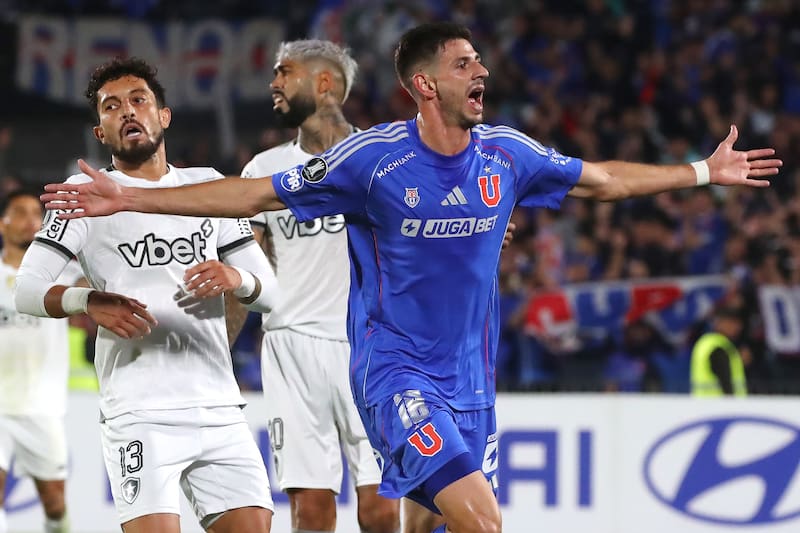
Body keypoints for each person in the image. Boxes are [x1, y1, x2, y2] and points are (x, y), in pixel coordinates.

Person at [40, 23, 782, 533]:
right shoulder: (375, 162)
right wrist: (132, 195)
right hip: (394, 373)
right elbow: (254, 195)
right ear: (424, 84)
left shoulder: (507, 155)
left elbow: (604, 181)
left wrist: (698, 171)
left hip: (472, 379)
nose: (481, 72)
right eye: (464, 64)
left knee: (433, 522)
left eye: (479, 63)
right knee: (474, 516)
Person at [15, 57, 279, 533]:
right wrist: (87, 301)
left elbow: (271, 294)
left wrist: (235, 280)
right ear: (100, 133)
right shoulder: (84, 194)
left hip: (219, 406)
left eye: (139, 100)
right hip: (140, 413)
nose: (127, 111)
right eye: (111, 106)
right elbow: (27, 290)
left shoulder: (207, 186)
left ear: (164, 116)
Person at [238, 39, 400, 533]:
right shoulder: (263, 171)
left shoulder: (385, 159)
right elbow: (246, 273)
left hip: (369, 347)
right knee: (311, 511)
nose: (274, 84)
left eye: (284, 72)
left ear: (324, 83)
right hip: (290, 346)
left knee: (378, 509)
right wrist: (222, 353)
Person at [0, 189, 82, 533]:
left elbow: (95, 285)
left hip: (42, 407)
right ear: (3, 224)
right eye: (20, 212)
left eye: (37, 213)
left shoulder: (63, 273)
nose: (30, 220)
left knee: (54, 504)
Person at [691, 305, 748, 396]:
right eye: (734, 323)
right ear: (722, 323)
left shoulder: (705, 342)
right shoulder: (718, 347)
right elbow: (725, 380)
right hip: (721, 406)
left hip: (704, 404)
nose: (738, 328)